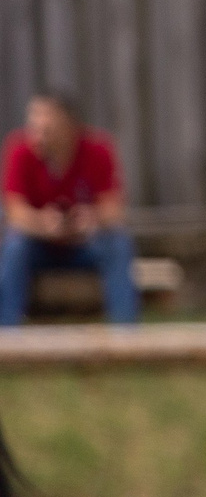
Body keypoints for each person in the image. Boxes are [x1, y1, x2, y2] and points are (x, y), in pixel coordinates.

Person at [0, 93, 138, 325]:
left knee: (118, 243)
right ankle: (6, 338)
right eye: (33, 127)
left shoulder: (98, 149)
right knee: (15, 245)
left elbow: (115, 210)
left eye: (46, 129)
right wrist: (43, 224)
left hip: (84, 246)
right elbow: (13, 212)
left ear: (70, 128)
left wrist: (90, 219)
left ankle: (126, 339)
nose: (37, 137)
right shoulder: (19, 149)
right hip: (38, 246)